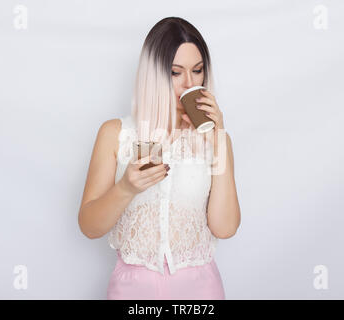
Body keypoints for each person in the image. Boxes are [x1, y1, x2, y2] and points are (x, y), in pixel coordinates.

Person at [78, 17, 241, 300]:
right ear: (152, 74)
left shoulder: (216, 140)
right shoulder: (116, 134)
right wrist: (126, 188)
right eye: (175, 72)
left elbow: (225, 228)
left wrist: (218, 141)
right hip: (132, 291)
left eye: (197, 70)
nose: (189, 83)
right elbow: (89, 226)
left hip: (200, 290)